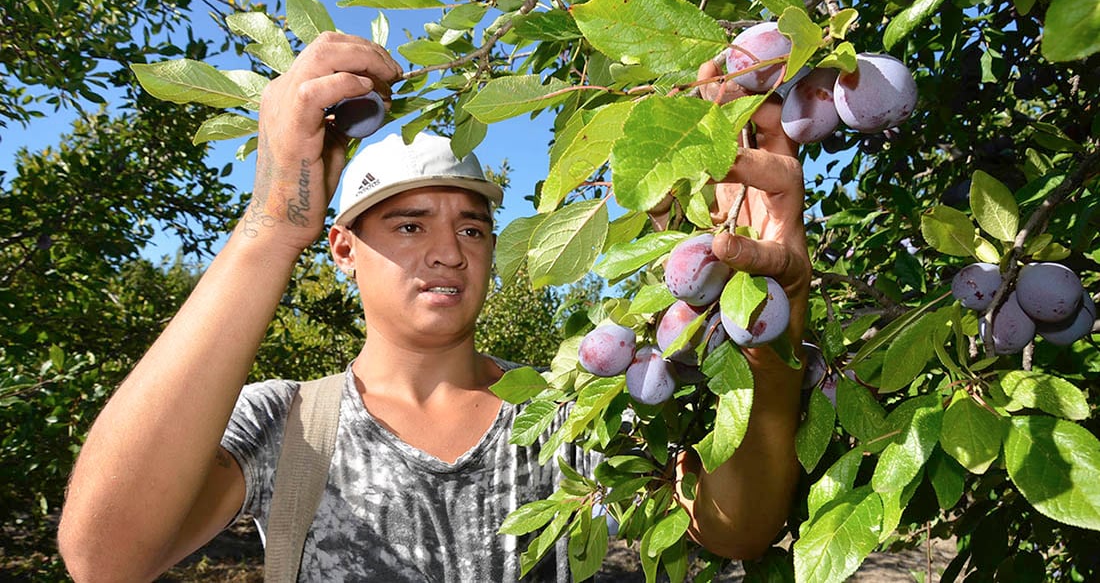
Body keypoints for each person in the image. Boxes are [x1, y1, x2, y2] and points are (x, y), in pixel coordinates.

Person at [57, 33, 810, 581]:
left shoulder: (562, 410)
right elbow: (104, 556)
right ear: (344, 249)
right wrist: (272, 224)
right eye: (409, 224)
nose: (449, 250)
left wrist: (765, 326)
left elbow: (735, 530)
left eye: (473, 226)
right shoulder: (286, 424)